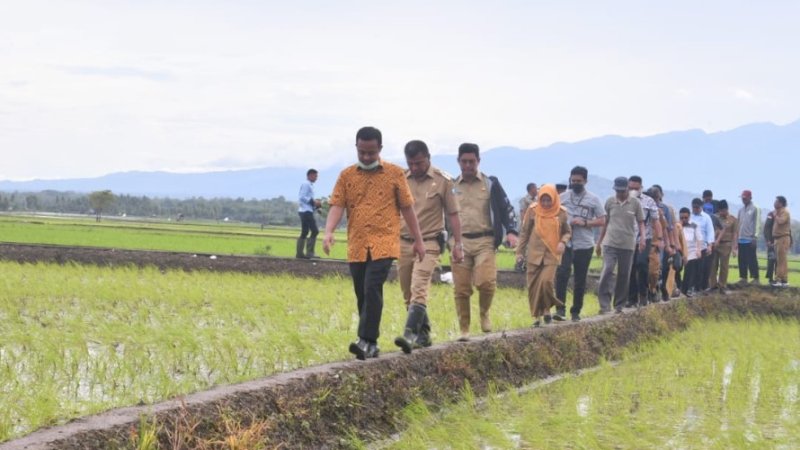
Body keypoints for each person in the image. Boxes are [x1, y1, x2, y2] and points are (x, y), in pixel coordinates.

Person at [323, 126, 425, 360]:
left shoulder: (394, 173)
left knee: (372, 287)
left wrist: (418, 240)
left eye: (371, 152)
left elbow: (407, 208)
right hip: (357, 243)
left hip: (385, 242)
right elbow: (337, 205)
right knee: (362, 292)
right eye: (362, 153)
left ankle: (366, 340)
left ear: (380, 148)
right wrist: (328, 232)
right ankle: (371, 343)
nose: (367, 157)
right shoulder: (346, 175)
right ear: (356, 148)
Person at [394, 140, 463, 353]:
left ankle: (409, 334)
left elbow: (453, 214)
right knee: (407, 291)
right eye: (411, 163)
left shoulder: (444, 181)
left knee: (419, 286)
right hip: (404, 241)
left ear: (428, 158)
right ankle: (423, 335)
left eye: (419, 163)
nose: (415, 168)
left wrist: (458, 243)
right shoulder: (400, 180)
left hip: (431, 242)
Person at [452, 143, 518, 341]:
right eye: (464, 161)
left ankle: (484, 313)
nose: (468, 165)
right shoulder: (452, 186)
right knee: (462, 288)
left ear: (478, 161)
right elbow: (444, 214)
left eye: (472, 161)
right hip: (460, 241)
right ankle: (464, 328)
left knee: (486, 282)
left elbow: (506, 208)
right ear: (459, 162)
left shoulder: (490, 184)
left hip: (485, 240)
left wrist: (512, 231)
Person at [554, 166, 605, 322]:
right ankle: (560, 309)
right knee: (562, 274)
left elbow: (602, 220)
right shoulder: (562, 197)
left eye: (579, 181)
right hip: (565, 243)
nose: (576, 183)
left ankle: (576, 311)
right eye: (573, 181)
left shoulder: (594, 199)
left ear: (585, 181)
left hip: (584, 244)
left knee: (580, 279)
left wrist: (585, 222)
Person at [516, 184, 571, 327]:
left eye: (549, 201)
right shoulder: (533, 210)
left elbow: (567, 232)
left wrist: (563, 242)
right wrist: (519, 252)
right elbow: (525, 232)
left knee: (546, 282)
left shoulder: (562, 212)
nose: (546, 204)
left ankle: (547, 308)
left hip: (552, 254)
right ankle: (538, 316)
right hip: (534, 254)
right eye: (543, 200)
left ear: (554, 199)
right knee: (533, 287)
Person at [596, 177, 646, 314]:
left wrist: (642, 239)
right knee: (607, 270)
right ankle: (604, 305)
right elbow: (606, 223)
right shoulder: (610, 202)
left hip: (628, 244)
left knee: (624, 274)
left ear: (627, 190)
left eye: (622, 190)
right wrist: (599, 243)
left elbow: (641, 222)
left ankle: (619, 304)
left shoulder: (635, 203)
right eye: (617, 190)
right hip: (610, 243)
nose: (619, 193)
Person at [627, 175, 663, 307]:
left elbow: (655, 221)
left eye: (636, 188)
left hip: (644, 238)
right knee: (630, 268)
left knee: (641, 264)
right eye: (630, 188)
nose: (633, 191)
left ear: (641, 187)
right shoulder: (623, 200)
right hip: (627, 239)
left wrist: (659, 239)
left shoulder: (649, 202)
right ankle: (631, 299)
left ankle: (643, 294)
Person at [708, 200, 737, 293]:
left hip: (726, 244)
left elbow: (735, 234)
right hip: (715, 244)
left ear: (726, 209)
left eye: (723, 210)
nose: (721, 213)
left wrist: (734, 248)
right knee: (713, 265)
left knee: (724, 266)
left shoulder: (733, 219)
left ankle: (722, 285)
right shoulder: (715, 218)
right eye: (720, 211)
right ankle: (712, 285)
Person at [735, 189, 761, 285]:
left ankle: (756, 278)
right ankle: (743, 278)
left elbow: (757, 223)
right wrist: (736, 238)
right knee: (741, 260)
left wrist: (755, 236)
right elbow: (738, 224)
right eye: (742, 198)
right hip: (741, 239)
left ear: (750, 197)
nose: (743, 199)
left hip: (750, 239)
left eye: (745, 198)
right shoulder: (740, 210)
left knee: (752, 259)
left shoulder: (755, 208)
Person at [689, 198, 715, 293]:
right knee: (691, 268)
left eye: (697, 207)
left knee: (700, 268)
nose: (695, 209)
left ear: (701, 207)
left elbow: (710, 232)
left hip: (702, 247)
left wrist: (709, 245)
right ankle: (690, 287)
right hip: (691, 247)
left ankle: (699, 288)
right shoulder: (689, 216)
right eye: (693, 207)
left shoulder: (706, 217)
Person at [296, 169, 322, 259]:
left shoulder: (309, 185)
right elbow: (302, 197)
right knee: (315, 231)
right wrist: (314, 202)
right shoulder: (306, 184)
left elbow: (307, 200)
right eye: (315, 176)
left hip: (305, 210)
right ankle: (310, 253)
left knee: (305, 232)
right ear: (310, 175)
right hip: (305, 211)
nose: (316, 178)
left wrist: (316, 207)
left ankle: (299, 254)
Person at [679, 207, 703, 297]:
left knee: (690, 270)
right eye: (682, 218)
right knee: (676, 269)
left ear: (689, 217)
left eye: (686, 217)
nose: (684, 219)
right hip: (680, 251)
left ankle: (689, 289)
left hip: (691, 251)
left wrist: (699, 250)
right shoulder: (677, 226)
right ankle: (679, 288)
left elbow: (699, 239)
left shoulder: (694, 225)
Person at [515, 183, 538, 272]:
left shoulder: (538, 200)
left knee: (532, 246)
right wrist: (525, 224)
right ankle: (519, 264)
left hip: (535, 226)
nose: (536, 190)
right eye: (535, 188)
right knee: (522, 246)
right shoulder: (524, 200)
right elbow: (522, 213)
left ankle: (528, 264)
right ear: (531, 189)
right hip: (526, 226)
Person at [771, 196, 791, 287]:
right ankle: (784, 280)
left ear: (781, 203)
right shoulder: (778, 212)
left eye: (776, 201)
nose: (774, 202)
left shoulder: (785, 212)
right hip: (778, 239)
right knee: (782, 260)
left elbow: (781, 221)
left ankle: (779, 280)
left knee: (781, 260)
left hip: (783, 238)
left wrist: (775, 215)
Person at [764, 209, 777, 284]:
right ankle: (770, 278)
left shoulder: (783, 214)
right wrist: (768, 240)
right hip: (771, 241)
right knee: (771, 260)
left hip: (780, 242)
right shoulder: (771, 214)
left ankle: (778, 278)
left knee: (779, 261)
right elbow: (766, 228)